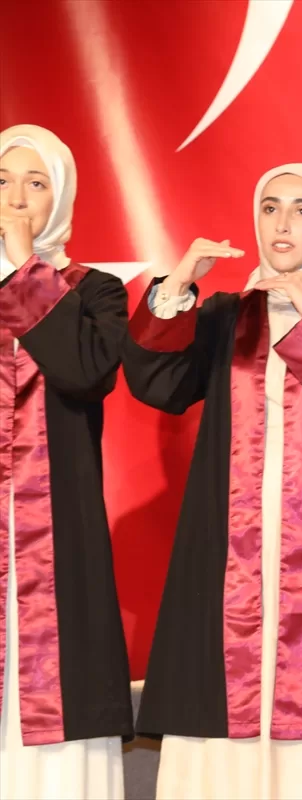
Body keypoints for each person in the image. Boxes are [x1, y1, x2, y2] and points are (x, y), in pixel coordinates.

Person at [123, 164, 302, 800]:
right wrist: (177, 287)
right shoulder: (225, 315)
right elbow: (157, 382)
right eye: (271, 207)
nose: (282, 223)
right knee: (223, 693)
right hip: (229, 546)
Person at [0, 124, 132, 800]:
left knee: (55, 694)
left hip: (55, 534)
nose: (16, 199)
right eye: (3, 181)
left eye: (36, 183)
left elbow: (83, 372)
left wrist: (26, 269)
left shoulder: (94, 291)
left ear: (62, 197)